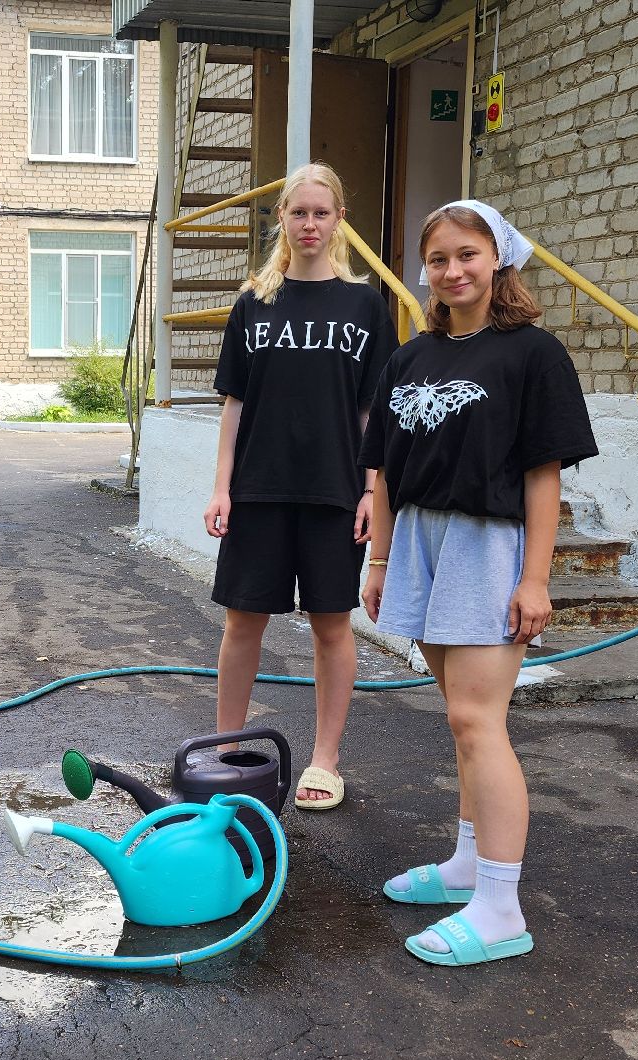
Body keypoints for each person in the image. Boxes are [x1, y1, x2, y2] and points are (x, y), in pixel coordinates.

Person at [359, 200, 598, 966]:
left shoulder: (532, 354)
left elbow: (543, 475)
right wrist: (381, 560)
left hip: (488, 544)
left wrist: (535, 579)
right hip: (422, 542)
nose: (453, 270)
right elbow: (387, 472)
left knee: (476, 721)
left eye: (468, 254)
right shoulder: (410, 357)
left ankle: (500, 908)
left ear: (499, 259)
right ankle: (467, 865)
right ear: (424, 271)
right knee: (460, 717)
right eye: (438, 259)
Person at [204, 162, 396, 811]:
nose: (309, 223)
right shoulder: (254, 302)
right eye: (298, 212)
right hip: (257, 489)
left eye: (321, 212)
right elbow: (234, 404)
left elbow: (375, 411)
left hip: (334, 491)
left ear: (339, 218)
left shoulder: (365, 304)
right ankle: (225, 752)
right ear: (281, 219)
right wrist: (221, 487)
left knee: (331, 627)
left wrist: (372, 491)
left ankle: (325, 760)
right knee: (242, 623)